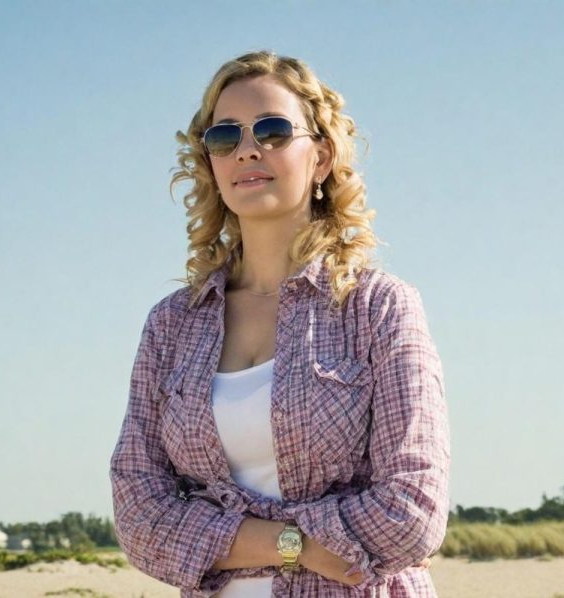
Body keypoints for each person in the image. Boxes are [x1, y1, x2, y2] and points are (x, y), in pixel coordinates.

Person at [109, 50, 451, 597]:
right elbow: (138, 512)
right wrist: (294, 545)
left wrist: (212, 534)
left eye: (271, 130)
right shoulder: (172, 326)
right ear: (211, 163)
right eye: (226, 137)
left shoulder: (380, 309)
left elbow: (414, 510)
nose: (248, 149)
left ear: (319, 157)